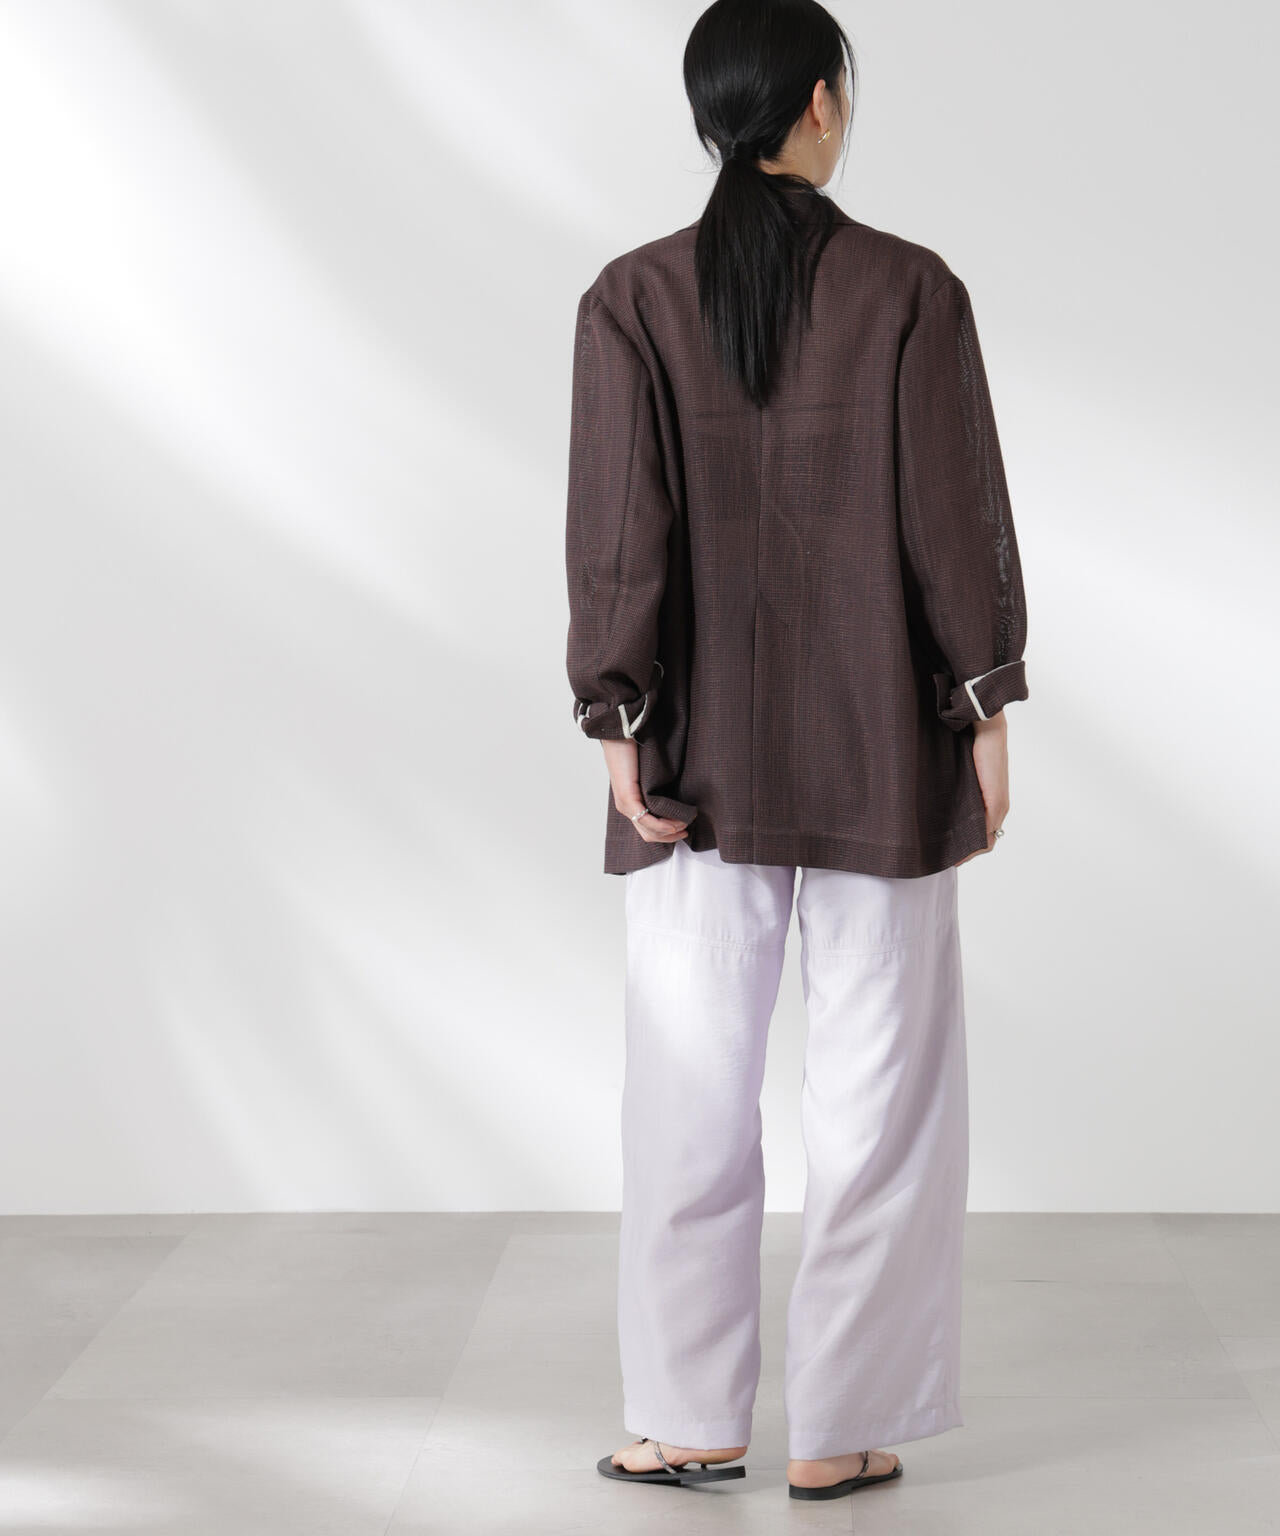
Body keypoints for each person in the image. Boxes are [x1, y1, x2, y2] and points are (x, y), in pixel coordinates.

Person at [564, 0, 1029, 1503]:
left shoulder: (631, 299)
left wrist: (616, 715)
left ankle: (687, 1418)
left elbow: (618, 531)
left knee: (686, 1094)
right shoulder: (911, 291)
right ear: (821, 103)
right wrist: (987, 706)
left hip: (693, 761)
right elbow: (953, 518)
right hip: (882, 746)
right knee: (879, 1099)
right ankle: (843, 1427)